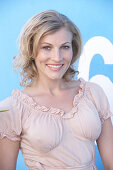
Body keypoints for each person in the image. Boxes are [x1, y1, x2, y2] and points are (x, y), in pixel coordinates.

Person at [0, 10, 113, 170]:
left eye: (64, 47)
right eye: (47, 47)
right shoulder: (12, 109)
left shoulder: (93, 93)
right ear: (31, 49)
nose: (57, 57)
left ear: (73, 48)